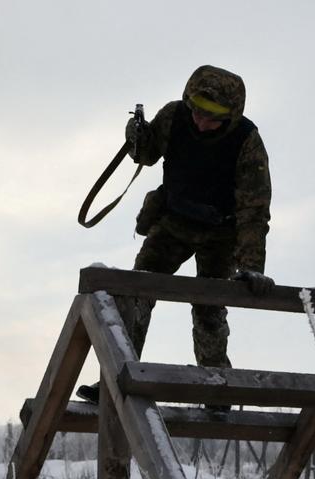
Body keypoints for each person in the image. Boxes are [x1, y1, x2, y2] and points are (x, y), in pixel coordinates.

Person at [77, 65, 273, 405]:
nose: (200, 121)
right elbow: (147, 154)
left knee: (209, 307)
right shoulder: (174, 116)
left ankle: (216, 388)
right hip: (174, 223)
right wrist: (137, 134)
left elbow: (254, 210)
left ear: (231, 115)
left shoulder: (247, 142)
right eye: (196, 110)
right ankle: (115, 375)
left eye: (211, 117)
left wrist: (252, 265)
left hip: (221, 234)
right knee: (136, 292)